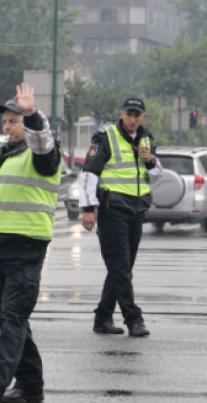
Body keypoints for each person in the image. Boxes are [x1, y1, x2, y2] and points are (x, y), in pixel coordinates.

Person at [0, 83, 62, 403]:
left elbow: (43, 144)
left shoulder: (42, 154)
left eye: (13, 120)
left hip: (26, 248)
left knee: (14, 317)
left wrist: (32, 114)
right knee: (10, 319)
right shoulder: (2, 156)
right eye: (4, 122)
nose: (7, 127)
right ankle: (31, 386)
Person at [77, 97, 162, 338]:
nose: (133, 119)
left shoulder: (146, 138)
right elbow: (89, 173)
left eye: (138, 115)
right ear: (121, 114)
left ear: (143, 117)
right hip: (112, 210)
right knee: (121, 268)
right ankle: (134, 319)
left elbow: (156, 173)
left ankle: (103, 317)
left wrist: (150, 160)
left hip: (137, 210)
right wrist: (88, 208)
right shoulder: (106, 136)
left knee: (121, 269)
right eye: (129, 114)